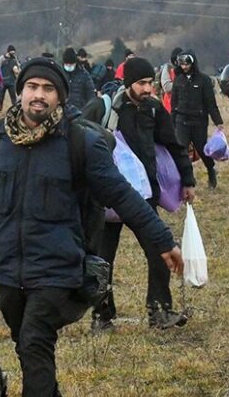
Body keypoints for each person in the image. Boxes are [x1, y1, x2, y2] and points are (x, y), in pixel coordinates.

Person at [0, 57, 184, 397]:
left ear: (59, 97)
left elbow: (123, 196)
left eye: (48, 89)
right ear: (20, 91)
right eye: (32, 87)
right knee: (25, 341)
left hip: (60, 263)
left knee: (36, 335)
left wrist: (161, 240)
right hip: (8, 263)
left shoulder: (81, 142)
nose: (39, 96)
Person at [82, 58, 196, 332]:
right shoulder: (105, 108)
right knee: (102, 259)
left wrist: (188, 180)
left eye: (150, 83)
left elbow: (174, 145)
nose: (147, 89)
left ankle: (159, 311)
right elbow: (79, 140)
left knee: (160, 249)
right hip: (108, 197)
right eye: (141, 83)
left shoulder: (155, 110)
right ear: (128, 83)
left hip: (143, 197)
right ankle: (102, 316)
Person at [171, 49, 224, 188]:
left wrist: (218, 121)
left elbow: (210, 103)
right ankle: (187, 180)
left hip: (199, 122)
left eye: (187, 64)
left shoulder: (204, 80)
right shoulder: (178, 80)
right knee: (182, 151)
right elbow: (174, 103)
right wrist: (171, 122)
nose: (184, 67)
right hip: (181, 121)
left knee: (202, 149)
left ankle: (211, 170)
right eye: (182, 64)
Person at [62, 47, 95, 111]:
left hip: (79, 111)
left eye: (71, 64)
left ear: (75, 63)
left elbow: (90, 94)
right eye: (67, 64)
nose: (69, 66)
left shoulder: (84, 75)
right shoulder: (60, 73)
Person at [0, 45, 20, 111]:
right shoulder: (1, 58)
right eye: (12, 52)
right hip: (2, 81)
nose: (13, 54)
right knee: (0, 97)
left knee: (13, 97)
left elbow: (18, 68)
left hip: (11, 81)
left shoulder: (14, 59)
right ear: (8, 52)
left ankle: (15, 109)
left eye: (14, 53)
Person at [160, 47, 182, 113]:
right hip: (169, 106)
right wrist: (181, 84)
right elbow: (166, 87)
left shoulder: (185, 68)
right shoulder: (167, 69)